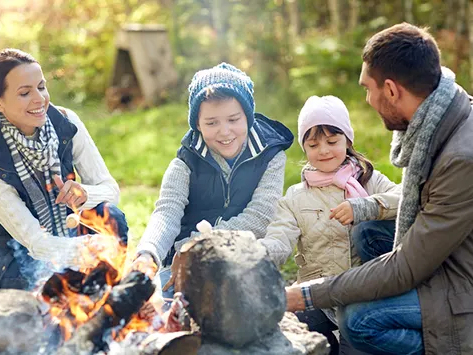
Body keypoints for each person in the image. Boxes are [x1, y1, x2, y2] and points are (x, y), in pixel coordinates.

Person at [285, 23, 473, 354]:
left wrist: (307, 294)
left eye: (367, 89)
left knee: (357, 318)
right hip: (451, 255)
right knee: (368, 232)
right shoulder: (446, 118)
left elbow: (404, 267)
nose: (367, 100)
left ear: (390, 89)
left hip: (463, 285)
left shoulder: (460, 159)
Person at [0, 48, 128, 292]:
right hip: (3, 256)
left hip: (61, 236)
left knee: (111, 217)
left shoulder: (66, 122)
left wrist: (85, 195)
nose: (40, 99)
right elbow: (34, 241)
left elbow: (111, 190)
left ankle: (101, 295)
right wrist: (89, 249)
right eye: (25, 93)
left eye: (41, 87)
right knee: (43, 309)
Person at [133, 63, 294, 299]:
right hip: (188, 265)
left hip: (243, 260)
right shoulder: (186, 161)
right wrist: (147, 253)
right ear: (197, 124)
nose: (224, 131)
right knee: (160, 307)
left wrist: (198, 246)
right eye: (211, 123)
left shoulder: (271, 155)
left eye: (233, 119)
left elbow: (259, 218)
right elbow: (167, 212)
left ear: (247, 117)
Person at [260, 95, 399, 354]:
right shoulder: (295, 197)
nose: (323, 150)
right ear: (305, 149)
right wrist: (259, 255)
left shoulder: (369, 182)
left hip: (359, 294)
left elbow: (405, 198)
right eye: (313, 144)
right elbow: (279, 237)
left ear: (348, 140)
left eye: (332, 141)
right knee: (286, 330)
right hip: (317, 295)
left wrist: (365, 206)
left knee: (354, 343)